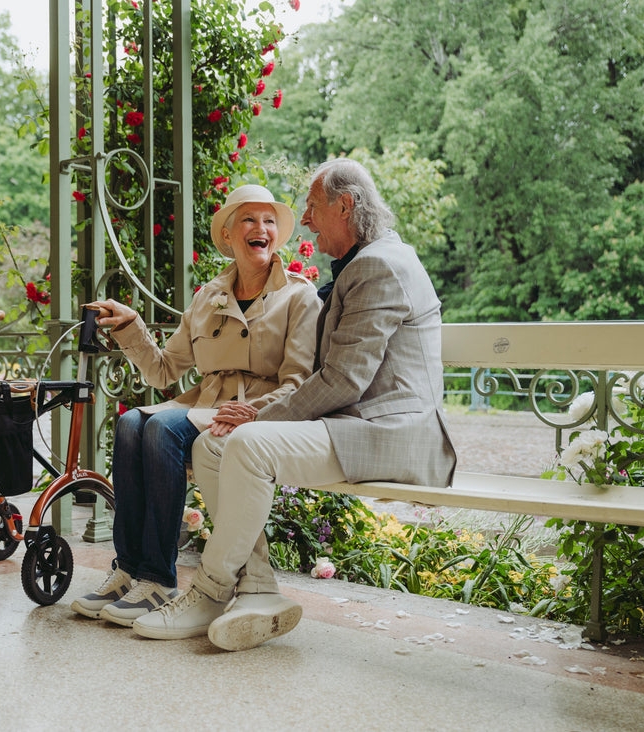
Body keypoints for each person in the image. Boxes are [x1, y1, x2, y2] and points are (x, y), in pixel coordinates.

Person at [131, 158, 457, 650]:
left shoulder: (378, 265)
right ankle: (259, 589)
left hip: (392, 435)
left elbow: (344, 379)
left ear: (344, 206)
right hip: (356, 424)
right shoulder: (369, 261)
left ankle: (211, 589)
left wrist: (258, 414)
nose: (305, 221)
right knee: (213, 447)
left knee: (246, 444)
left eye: (311, 208)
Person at [70, 184, 321, 627]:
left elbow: (298, 382)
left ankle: (158, 578)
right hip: (204, 405)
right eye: (248, 219)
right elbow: (165, 371)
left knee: (161, 429)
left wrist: (257, 412)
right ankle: (128, 571)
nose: (260, 228)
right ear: (228, 235)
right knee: (130, 424)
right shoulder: (208, 297)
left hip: (256, 413)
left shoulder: (298, 296)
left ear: (277, 236)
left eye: (268, 221)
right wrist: (131, 327)